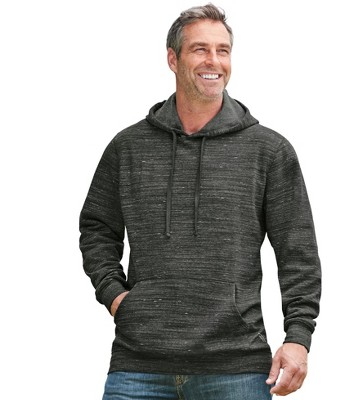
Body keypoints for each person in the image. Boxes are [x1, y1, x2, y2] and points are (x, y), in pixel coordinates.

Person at [79, 3, 321, 399]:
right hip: (138, 366)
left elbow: (298, 251)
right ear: (173, 59)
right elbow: (96, 229)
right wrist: (116, 297)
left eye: (223, 50)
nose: (214, 61)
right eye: (200, 49)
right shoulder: (128, 147)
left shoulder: (268, 151)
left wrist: (298, 337)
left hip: (237, 366)